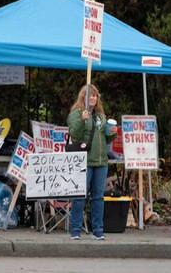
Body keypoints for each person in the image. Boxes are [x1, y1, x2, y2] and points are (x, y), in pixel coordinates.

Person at [67, 84, 117, 240]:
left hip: (101, 161)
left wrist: (112, 134)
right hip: (85, 160)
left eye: (95, 95)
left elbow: (105, 138)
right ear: (83, 97)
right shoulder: (77, 113)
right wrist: (82, 120)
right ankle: (75, 230)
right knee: (80, 196)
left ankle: (98, 230)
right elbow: (74, 133)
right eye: (90, 95)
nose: (93, 98)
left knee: (98, 197)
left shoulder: (100, 116)